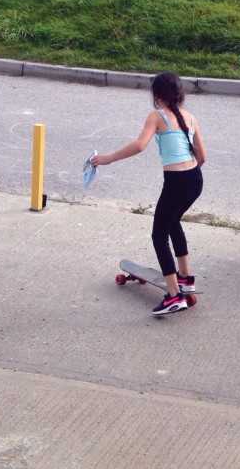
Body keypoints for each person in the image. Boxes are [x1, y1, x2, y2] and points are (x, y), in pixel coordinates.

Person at [91, 72, 207, 316]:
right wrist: (187, 171)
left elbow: (139, 145)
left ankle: (175, 296)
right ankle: (185, 278)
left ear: (157, 95)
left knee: (158, 235)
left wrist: (108, 159)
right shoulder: (190, 117)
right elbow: (202, 156)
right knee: (173, 222)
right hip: (195, 180)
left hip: (176, 182)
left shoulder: (157, 116)